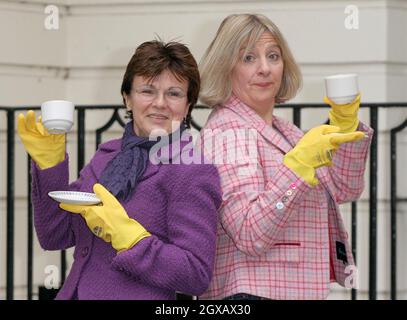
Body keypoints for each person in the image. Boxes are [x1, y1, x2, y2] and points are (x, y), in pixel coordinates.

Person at [17, 40, 222, 300]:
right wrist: (50, 166)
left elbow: (196, 274)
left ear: (188, 104)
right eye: (147, 90)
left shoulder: (191, 170)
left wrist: (132, 239)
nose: (160, 103)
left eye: (174, 93)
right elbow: (55, 235)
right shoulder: (107, 156)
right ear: (127, 97)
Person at [197, 13, 373, 300]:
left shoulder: (286, 132)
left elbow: (345, 188)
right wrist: (297, 167)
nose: (265, 68)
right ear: (225, 66)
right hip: (251, 294)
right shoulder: (228, 131)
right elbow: (249, 232)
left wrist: (345, 126)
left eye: (273, 56)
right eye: (248, 58)